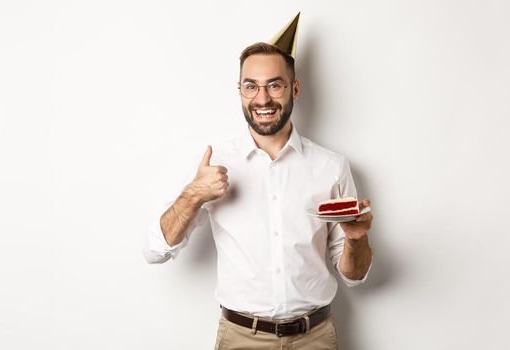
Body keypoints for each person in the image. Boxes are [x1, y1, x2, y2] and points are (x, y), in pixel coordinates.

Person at [143, 14, 373, 350]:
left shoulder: (331, 167)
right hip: (241, 339)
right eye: (251, 86)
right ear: (240, 92)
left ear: (293, 88)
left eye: (274, 85)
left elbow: (355, 275)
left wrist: (355, 240)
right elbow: (154, 251)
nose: (262, 99)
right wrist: (194, 195)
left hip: (315, 338)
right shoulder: (215, 163)